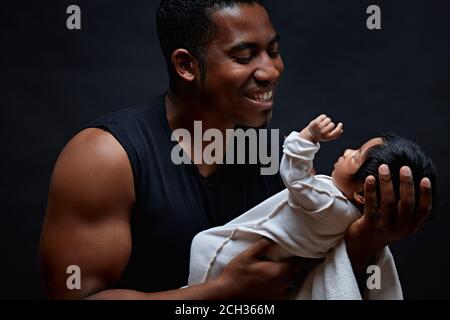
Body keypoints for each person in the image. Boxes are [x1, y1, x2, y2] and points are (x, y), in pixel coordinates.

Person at [39, 0, 433, 300]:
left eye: (273, 51)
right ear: (186, 66)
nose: (270, 70)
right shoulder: (106, 157)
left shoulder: (272, 156)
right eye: (245, 56)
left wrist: (364, 243)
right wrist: (221, 294)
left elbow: (311, 284)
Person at [188, 115, 437, 298]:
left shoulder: (328, 204)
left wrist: (307, 137)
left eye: (356, 155)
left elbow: (294, 176)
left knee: (202, 243)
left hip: (227, 254)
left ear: (363, 194)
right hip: (272, 273)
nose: (347, 150)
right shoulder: (347, 217)